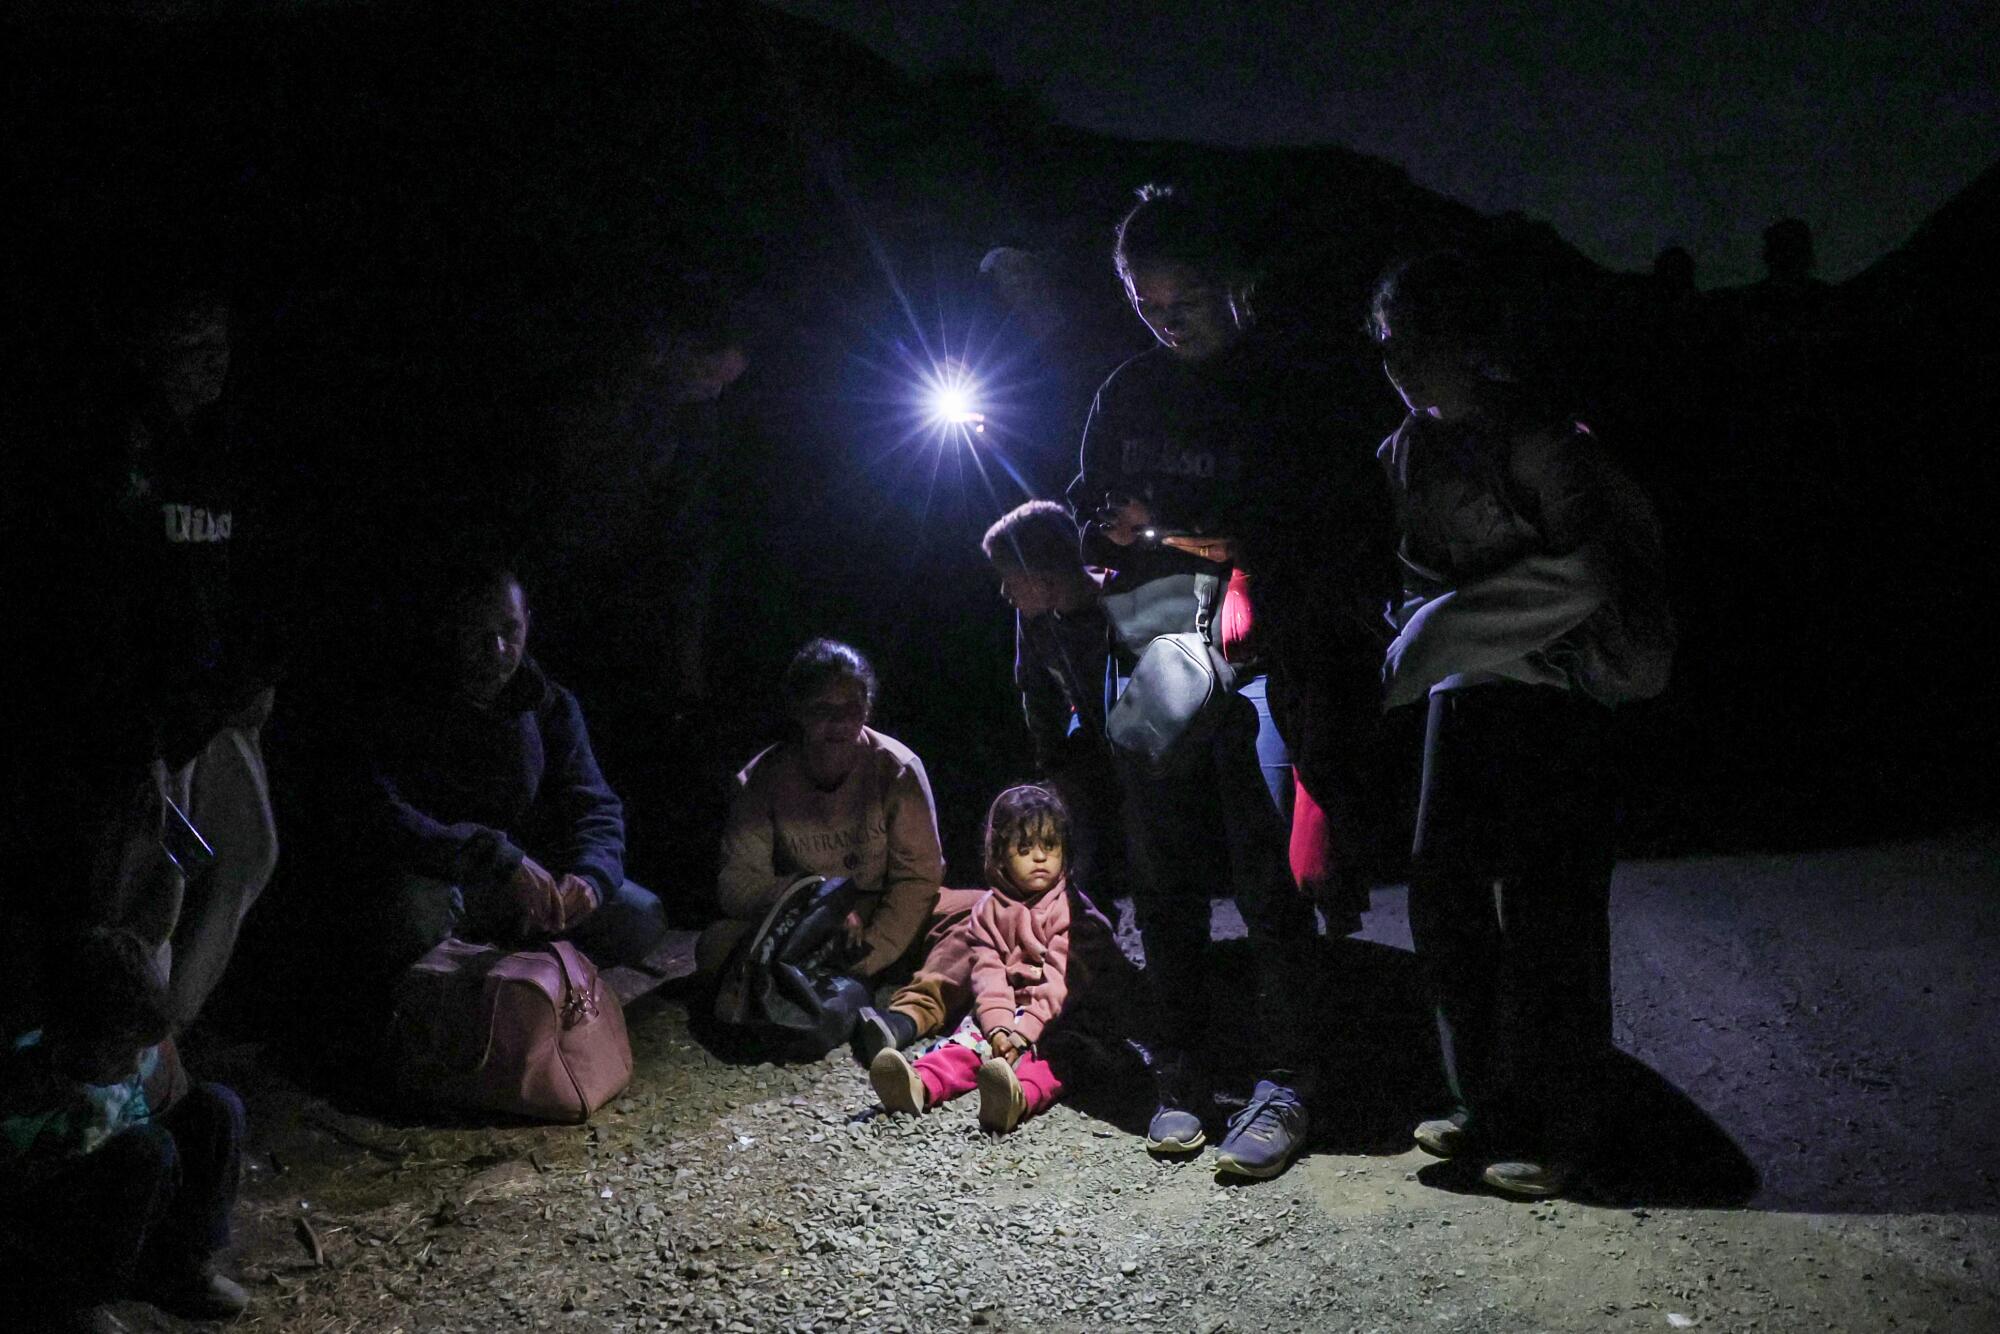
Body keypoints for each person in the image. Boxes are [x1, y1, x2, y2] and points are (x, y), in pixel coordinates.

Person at [1064, 183, 1387, 1179]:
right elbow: (1085, 519)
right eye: (1147, 307)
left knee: (1266, 864)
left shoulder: (1290, 389)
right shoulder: (1126, 391)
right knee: (1159, 864)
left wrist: (1217, 540)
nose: (1167, 324)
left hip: (1265, 640)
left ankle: (1287, 1075)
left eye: (1186, 303)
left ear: (1234, 285)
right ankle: (1179, 1069)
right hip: (1159, 634)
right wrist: (1109, 534)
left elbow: (1334, 530)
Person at [1370, 251, 1673, 1199]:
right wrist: (1433, 634)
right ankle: (1486, 1103)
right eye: (1387, 348)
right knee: (1445, 898)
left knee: (1553, 910)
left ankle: (1565, 1122)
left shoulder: (1543, 439)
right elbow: (1411, 585)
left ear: (1469, 344)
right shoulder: (1402, 452)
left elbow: (1585, 574)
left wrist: (1442, 630)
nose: (1399, 367)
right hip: (1463, 699)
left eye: (1417, 346)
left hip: (1555, 703)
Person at [354, 568, 669, 978]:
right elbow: (383, 814)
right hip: (452, 881)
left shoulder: (549, 706)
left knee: (641, 917)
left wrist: (589, 879)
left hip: (530, 890)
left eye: (510, 630)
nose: (498, 648)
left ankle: (528, 982)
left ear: (528, 624)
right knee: (415, 912)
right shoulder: (407, 707)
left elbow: (596, 805)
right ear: (452, 630)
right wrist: (495, 858)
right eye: (479, 633)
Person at [1, 927, 248, 1330]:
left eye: (142, 1048)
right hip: (60, 1234)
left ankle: (182, 1268)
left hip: (127, 1214)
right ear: (69, 1036)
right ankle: (76, 1301)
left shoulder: (138, 1057)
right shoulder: (28, 1083)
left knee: (218, 1106)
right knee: (148, 1150)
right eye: (121, 1049)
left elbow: (163, 1108)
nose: (135, 1064)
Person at [867, 785, 1124, 1133]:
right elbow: (989, 975)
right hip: (1012, 1011)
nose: (1039, 858)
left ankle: (1016, 1098)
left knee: (1058, 1055)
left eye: (1050, 846)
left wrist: (1025, 1032)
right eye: (1024, 848)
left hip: (1064, 1012)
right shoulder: (988, 911)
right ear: (1000, 854)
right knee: (969, 1041)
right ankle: (920, 1084)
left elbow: (1062, 980)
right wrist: (1000, 1028)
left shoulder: (1073, 912)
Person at [701, 639, 945, 982]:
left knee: (968, 915)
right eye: (823, 708)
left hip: (882, 909)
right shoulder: (763, 779)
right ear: (798, 710)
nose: (841, 721)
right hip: (802, 919)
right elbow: (737, 884)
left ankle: (903, 1010)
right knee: (715, 945)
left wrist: (871, 952)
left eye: (852, 706)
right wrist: (817, 902)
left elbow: (919, 875)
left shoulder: (896, 770)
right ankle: (799, 983)